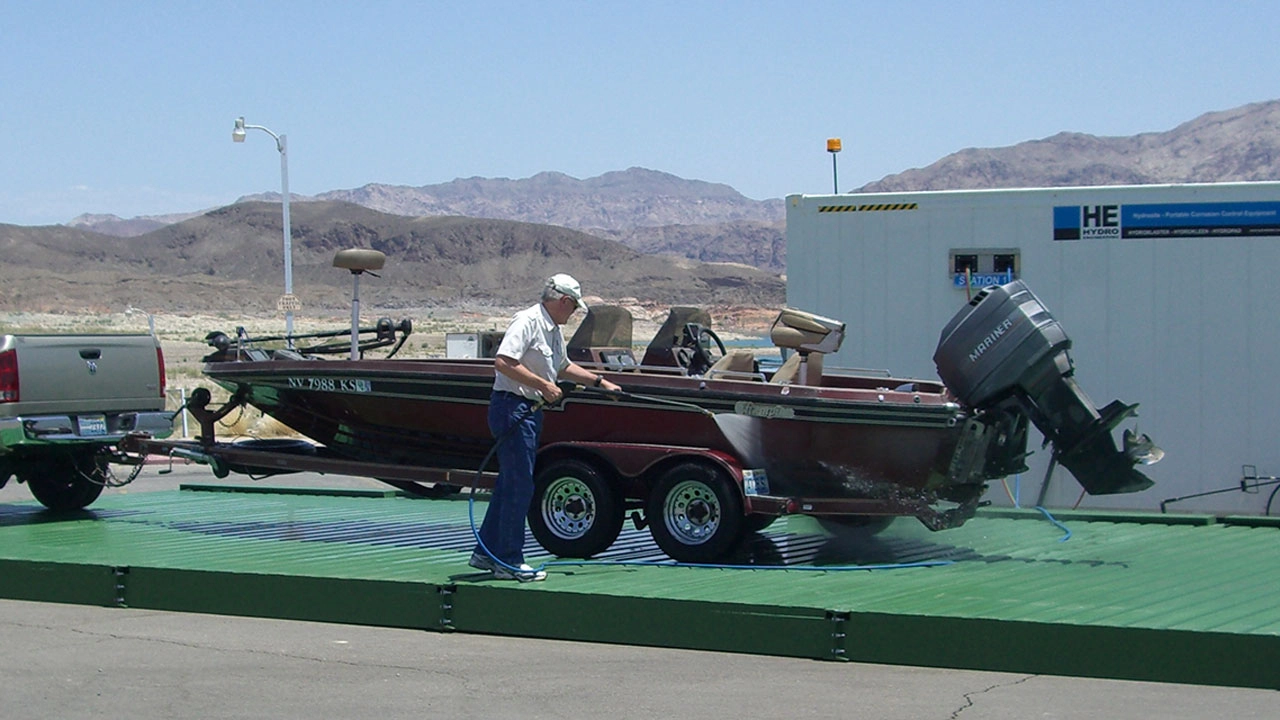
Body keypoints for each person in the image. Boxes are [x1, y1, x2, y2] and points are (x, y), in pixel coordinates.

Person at [469, 273, 622, 581]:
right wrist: (544, 385)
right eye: (574, 307)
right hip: (512, 408)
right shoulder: (528, 321)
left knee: (510, 483)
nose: (574, 313)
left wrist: (599, 382)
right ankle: (508, 561)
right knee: (519, 485)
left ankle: (486, 553)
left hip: (528, 411)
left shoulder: (553, 329)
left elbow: (562, 366)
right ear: (563, 301)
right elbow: (504, 361)